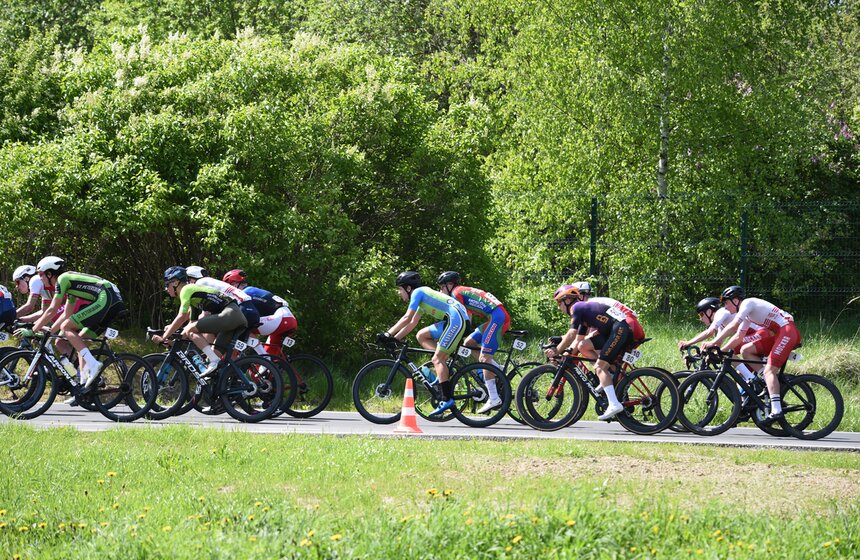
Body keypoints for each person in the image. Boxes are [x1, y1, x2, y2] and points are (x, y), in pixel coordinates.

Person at [704, 286, 802, 422]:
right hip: (780, 333)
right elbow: (738, 336)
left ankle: (777, 411)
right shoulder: (747, 314)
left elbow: (733, 326)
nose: (725, 307)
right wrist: (721, 350)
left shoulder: (747, 303)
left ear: (736, 301)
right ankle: (763, 382)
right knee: (746, 350)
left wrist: (713, 343)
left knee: (769, 371)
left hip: (786, 331)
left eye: (726, 303)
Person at [417, 271, 509, 414]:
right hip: (494, 317)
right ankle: (497, 369)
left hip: (497, 318)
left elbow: (462, 319)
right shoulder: (461, 291)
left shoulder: (456, 293)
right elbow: (468, 318)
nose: (441, 291)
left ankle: (494, 397)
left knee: (484, 358)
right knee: (469, 343)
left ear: (449, 285)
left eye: (441, 287)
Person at [26, 257, 127, 386]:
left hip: (106, 297)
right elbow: (66, 314)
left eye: (41, 274)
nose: (40, 278)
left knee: (66, 327)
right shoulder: (71, 286)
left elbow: (52, 309)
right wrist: (50, 333)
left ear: (49, 274)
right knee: (80, 339)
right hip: (112, 299)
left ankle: (94, 364)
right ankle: (83, 384)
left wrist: (32, 330)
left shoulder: (62, 280)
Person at [379, 271, 468, 416]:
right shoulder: (422, 297)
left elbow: (407, 317)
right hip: (454, 318)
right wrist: (395, 339)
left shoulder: (418, 292)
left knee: (437, 359)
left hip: (456, 319)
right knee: (421, 335)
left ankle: (446, 399)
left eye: (400, 289)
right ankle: (444, 364)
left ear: (408, 288)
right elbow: (412, 323)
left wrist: (388, 334)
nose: (399, 293)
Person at [544, 285, 634, 421]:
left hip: (619, 329)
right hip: (614, 330)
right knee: (583, 346)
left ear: (567, 300)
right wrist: (566, 354)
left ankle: (614, 404)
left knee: (599, 367)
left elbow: (571, 334)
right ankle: (608, 375)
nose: (558, 307)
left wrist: (557, 351)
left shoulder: (577, 308)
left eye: (558, 303)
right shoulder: (583, 311)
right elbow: (577, 340)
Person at [151, 266, 248, 376]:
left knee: (208, 352)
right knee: (213, 355)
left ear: (175, 282)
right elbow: (191, 324)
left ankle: (215, 362)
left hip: (231, 314)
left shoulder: (186, 289)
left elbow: (182, 317)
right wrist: (173, 340)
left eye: (167, 284)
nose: (166, 289)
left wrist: (164, 336)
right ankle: (226, 382)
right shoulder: (194, 297)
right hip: (234, 317)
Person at [677, 297, 768, 384]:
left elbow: (710, 332)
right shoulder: (722, 324)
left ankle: (752, 379)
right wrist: (696, 356)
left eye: (701, 314)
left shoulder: (721, 312)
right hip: (754, 336)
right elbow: (716, 345)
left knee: (728, 351)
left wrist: (688, 342)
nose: (700, 319)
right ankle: (753, 383)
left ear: (709, 311)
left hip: (761, 334)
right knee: (739, 376)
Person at [222, 269, 297, 358]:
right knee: (269, 362)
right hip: (289, 319)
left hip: (280, 319)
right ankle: (270, 363)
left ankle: (264, 358)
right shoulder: (251, 290)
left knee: (242, 327)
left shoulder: (244, 293)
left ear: (234, 284)